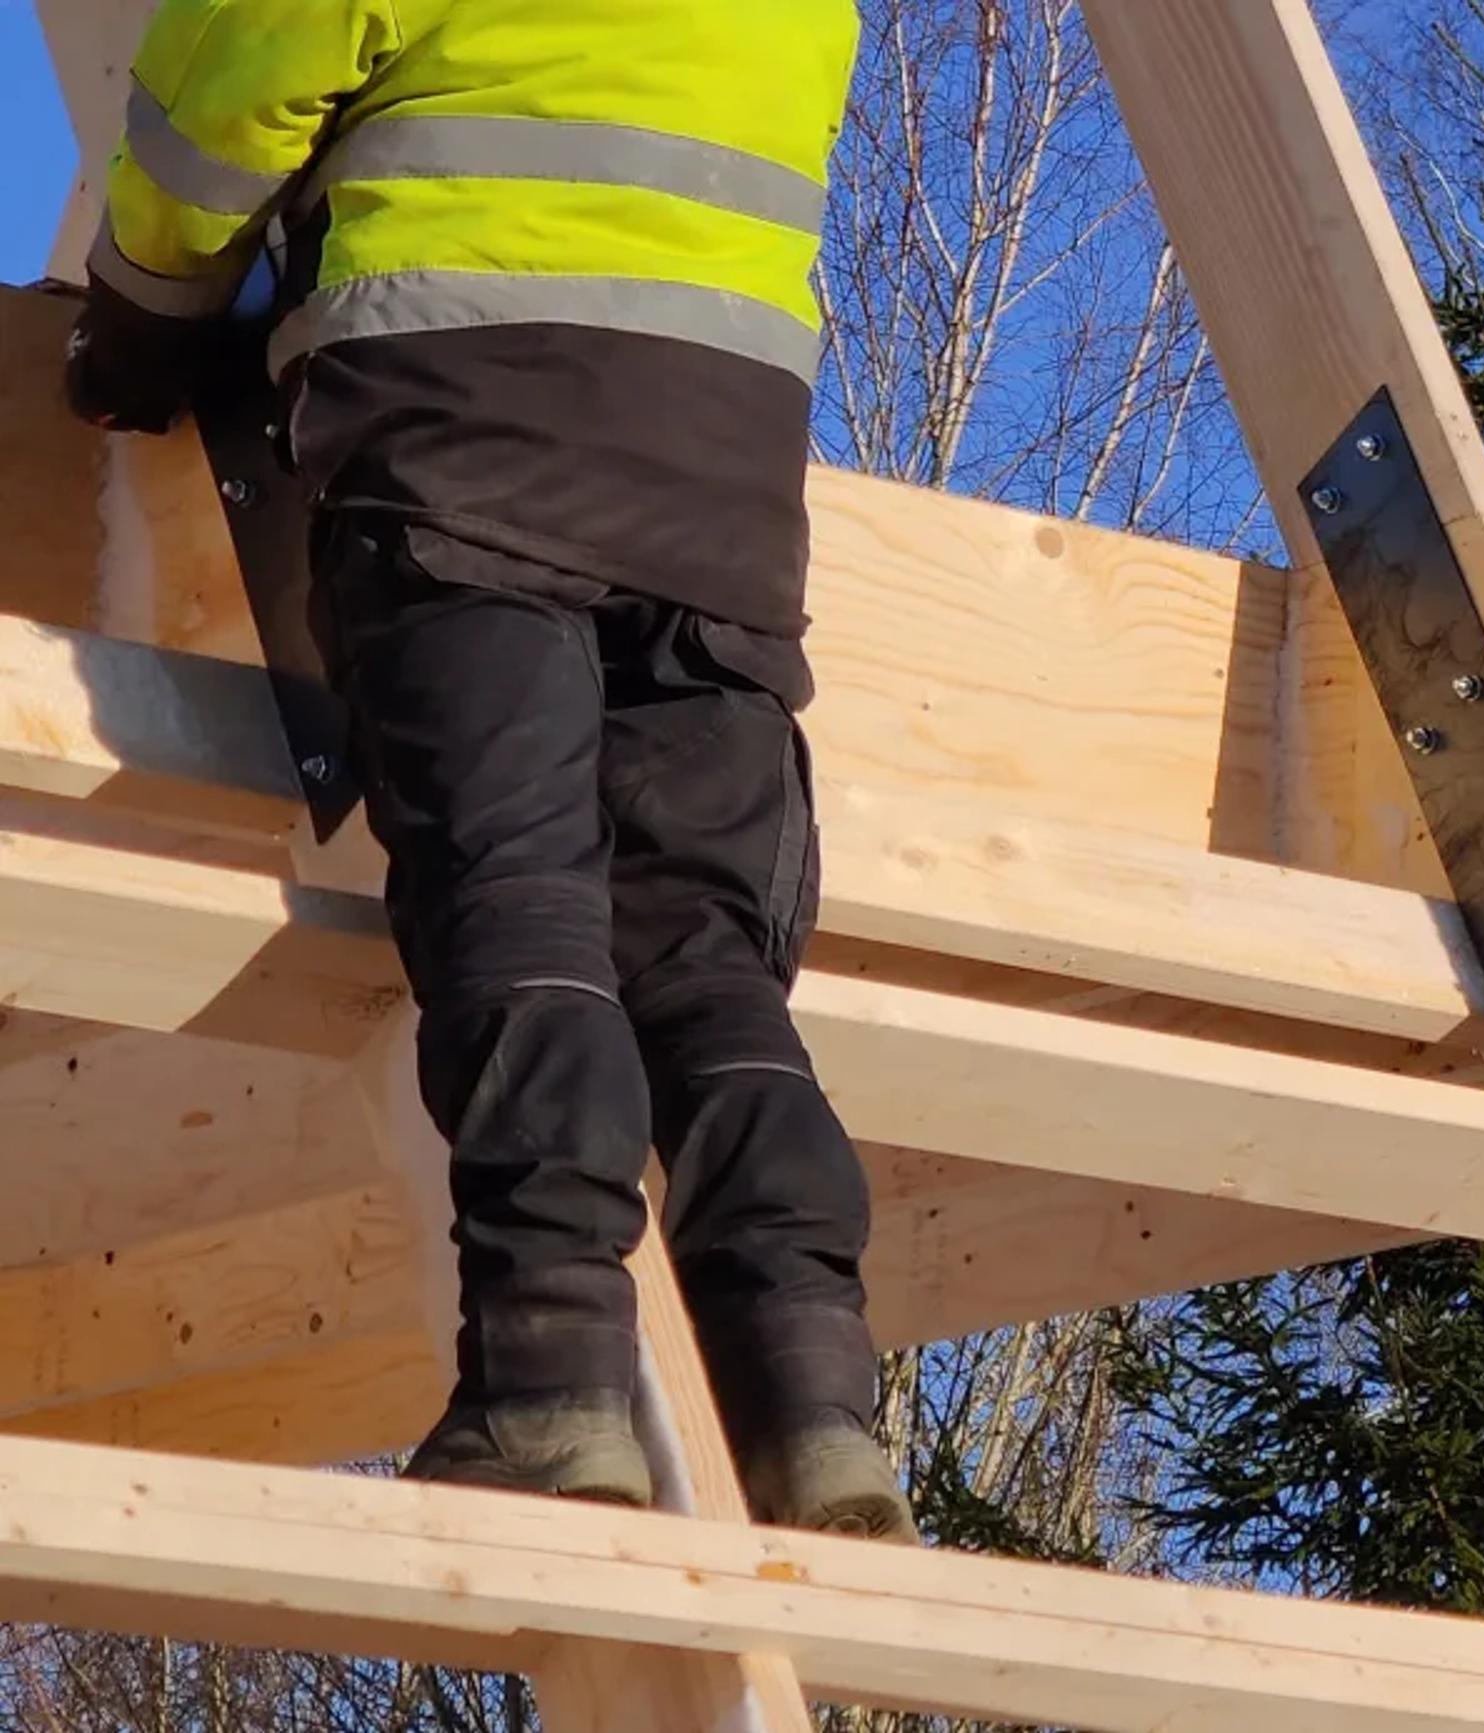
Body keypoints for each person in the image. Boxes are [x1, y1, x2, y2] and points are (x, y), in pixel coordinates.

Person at [64, 0, 908, 1537]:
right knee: (706, 957)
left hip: (465, 440)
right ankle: (812, 1404)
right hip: (720, 503)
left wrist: (135, 308)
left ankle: (551, 1382)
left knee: (514, 896)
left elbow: (234, 72)